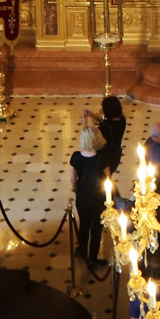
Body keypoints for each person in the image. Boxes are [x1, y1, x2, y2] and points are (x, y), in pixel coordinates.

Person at [71, 116, 110, 279]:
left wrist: (76, 191)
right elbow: (108, 179)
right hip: (98, 197)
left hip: (82, 197)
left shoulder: (76, 157)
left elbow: (73, 179)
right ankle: (93, 259)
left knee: (84, 225)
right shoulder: (102, 158)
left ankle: (82, 250)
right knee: (96, 229)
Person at [98, 96, 128, 172]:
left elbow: (89, 137)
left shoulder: (103, 128)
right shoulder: (122, 120)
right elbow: (109, 124)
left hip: (104, 159)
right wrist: (95, 117)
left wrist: (85, 124)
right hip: (116, 156)